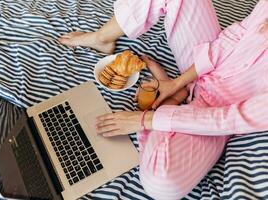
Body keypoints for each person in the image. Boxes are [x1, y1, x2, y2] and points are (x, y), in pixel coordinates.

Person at [59, 0, 268, 199]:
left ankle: (176, 100)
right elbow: (234, 38)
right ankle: (102, 38)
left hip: (218, 112)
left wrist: (144, 119)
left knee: (161, 184)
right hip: (205, 68)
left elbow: (231, 119)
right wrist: (177, 83)